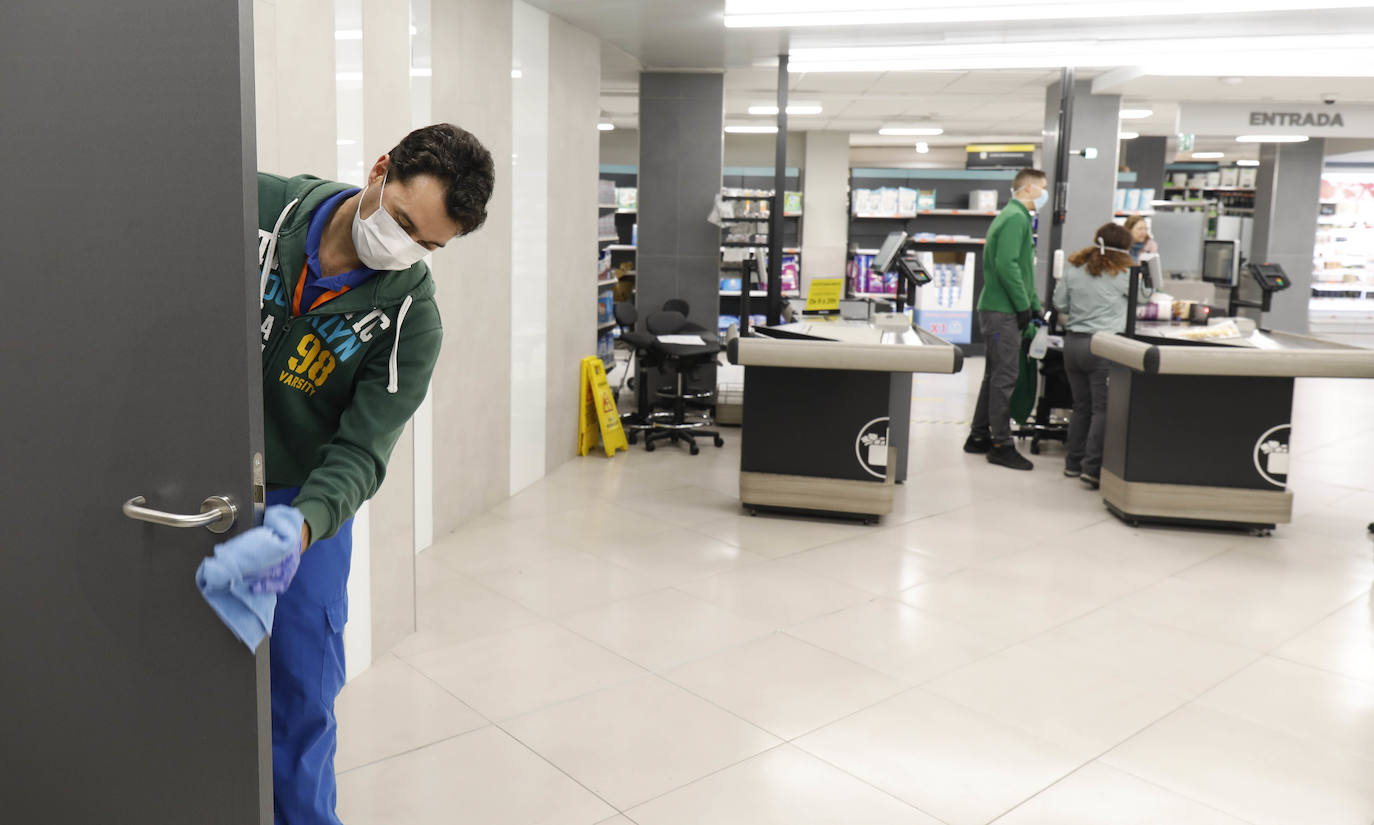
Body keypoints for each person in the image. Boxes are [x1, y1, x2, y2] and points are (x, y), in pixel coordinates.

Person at [234, 123, 494, 824]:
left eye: (428, 245)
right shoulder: (256, 208)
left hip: (302, 506)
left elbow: (360, 450)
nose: (403, 250)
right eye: (403, 222)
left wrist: (301, 527)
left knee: (300, 701)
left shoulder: (412, 318)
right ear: (380, 169)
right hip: (202, 489)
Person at [1053, 222, 1149, 489]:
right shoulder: (1122, 273)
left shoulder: (1075, 268)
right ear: (1125, 248)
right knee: (1102, 409)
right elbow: (1142, 299)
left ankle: (1073, 463)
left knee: (1081, 406)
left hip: (1072, 346)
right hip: (1103, 347)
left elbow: (1060, 303)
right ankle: (1092, 468)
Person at [965, 167, 1047, 471]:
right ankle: (1001, 444)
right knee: (1005, 376)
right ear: (1027, 190)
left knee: (994, 374)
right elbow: (1007, 266)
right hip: (1002, 312)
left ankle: (977, 436)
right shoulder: (1015, 218)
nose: (1045, 195)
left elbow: (1022, 269)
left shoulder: (1014, 216)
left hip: (1000, 308)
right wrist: (1023, 305)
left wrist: (1034, 305)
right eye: (1043, 189)